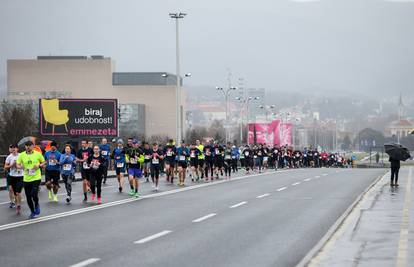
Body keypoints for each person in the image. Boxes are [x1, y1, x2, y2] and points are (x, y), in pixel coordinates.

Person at [16, 141, 45, 219]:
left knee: (33, 194)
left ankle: (37, 204)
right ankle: (32, 211)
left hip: (36, 178)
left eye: (29, 145)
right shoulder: (22, 155)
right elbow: (17, 164)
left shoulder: (38, 154)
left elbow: (44, 162)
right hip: (26, 179)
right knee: (28, 197)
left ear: (33, 146)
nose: (28, 147)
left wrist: (39, 165)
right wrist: (20, 167)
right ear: (25, 147)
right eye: (26, 145)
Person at [5, 144, 24, 214]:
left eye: (15, 148)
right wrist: (12, 165)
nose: (13, 149)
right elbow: (5, 167)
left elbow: (25, 165)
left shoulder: (21, 155)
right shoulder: (9, 157)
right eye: (12, 148)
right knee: (11, 190)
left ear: (17, 149)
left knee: (18, 192)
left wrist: (19, 166)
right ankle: (14, 202)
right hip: (12, 176)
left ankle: (18, 205)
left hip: (20, 176)